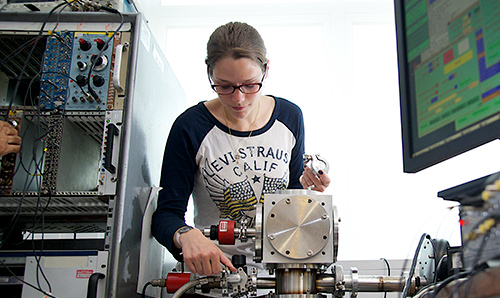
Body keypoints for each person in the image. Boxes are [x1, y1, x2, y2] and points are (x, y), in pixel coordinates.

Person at [152, 21, 330, 277]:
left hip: (277, 280)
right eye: (224, 86)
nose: (238, 99)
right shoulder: (190, 127)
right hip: (213, 281)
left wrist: (309, 189)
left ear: (266, 71)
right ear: (209, 75)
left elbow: (291, 204)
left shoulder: (289, 118)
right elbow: (166, 215)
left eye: (249, 85)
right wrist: (185, 235)